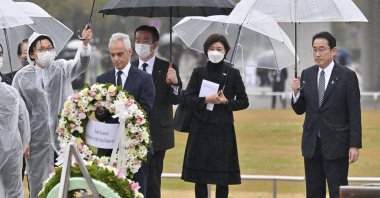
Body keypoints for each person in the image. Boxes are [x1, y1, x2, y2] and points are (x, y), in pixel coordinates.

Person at [12, 25, 92, 198]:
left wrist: (84, 44)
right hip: (36, 140)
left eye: (49, 48)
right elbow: (17, 112)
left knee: (67, 184)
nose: (46, 52)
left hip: (63, 138)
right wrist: (22, 140)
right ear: (32, 53)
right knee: (39, 184)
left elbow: (81, 64)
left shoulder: (61, 68)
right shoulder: (22, 77)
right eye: (41, 49)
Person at [290, 31, 361, 198]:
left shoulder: (347, 76)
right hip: (311, 145)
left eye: (322, 49)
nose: (317, 54)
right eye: (314, 49)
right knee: (313, 192)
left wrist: (354, 145)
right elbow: (300, 109)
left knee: (338, 191)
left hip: (337, 145)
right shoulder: (307, 74)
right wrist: (296, 93)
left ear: (333, 51)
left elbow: (354, 113)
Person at [181, 34, 249, 198]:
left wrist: (226, 102)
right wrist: (206, 99)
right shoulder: (198, 72)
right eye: (211, 49)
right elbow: (187, 98)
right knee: (200, 178)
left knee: (222, 178)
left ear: (226, 51)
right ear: (206, 51)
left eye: (219, 49)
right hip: (200, 129)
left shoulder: (233, 73)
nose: (215, 52)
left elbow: (244, 101)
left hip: (222, 131)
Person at [95, 32, 155, 196]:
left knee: (136, 192)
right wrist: (100, 110)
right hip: (108, 146)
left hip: (135, 146)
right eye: (112, 54)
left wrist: (124, 111)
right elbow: (101, 116)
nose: (115, 58)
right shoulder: (102, 79)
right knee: (107, 191)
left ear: (130, 52)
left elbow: (146, 110)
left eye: (119, 54)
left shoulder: (144, 79)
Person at [132, 25, 182, 198]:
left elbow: (176, 99)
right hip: (132, 135)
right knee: (132, 182)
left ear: (154, 44)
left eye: (145, 41)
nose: (141, 44)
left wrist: (175, 83)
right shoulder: (129, 68)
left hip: (158, 134)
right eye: (138, 41)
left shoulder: (167, 67)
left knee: (153, 182)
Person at [0, 69, 30, 198]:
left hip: (13, 147)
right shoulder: (11, 92)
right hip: (13, 146)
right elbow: (23, 119)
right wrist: (24, 144)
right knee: (14, 190)